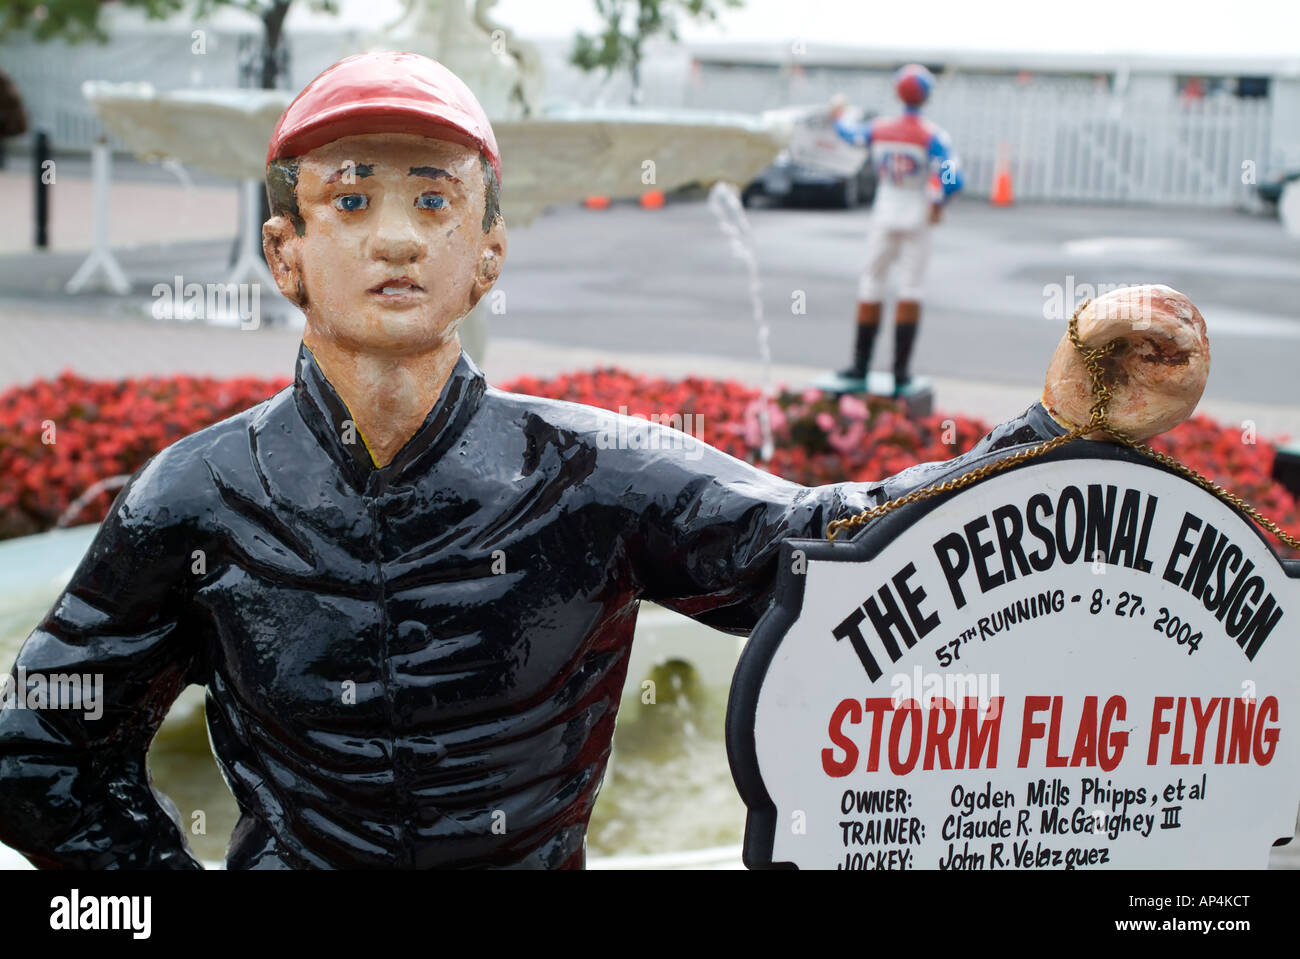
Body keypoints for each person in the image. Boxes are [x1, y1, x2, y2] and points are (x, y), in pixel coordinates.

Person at [0, 52, 1194, 870]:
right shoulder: (196, 496)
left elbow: (844, 549)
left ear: (488, 253)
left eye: (434, 198)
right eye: (350, 200)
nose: (399, 234)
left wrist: (1060, 421)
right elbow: (39, 733)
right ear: (285, 250)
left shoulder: (592, 473)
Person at [832, 64, 962, 394]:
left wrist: (838, 115)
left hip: (885, 207)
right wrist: (939, 199)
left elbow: (849, 135)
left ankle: (860, 364)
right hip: (916, 210)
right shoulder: (932, 135)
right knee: (911, 287)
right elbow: (951, 175)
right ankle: (900, 372)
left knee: (871, 282)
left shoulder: (879, 129)